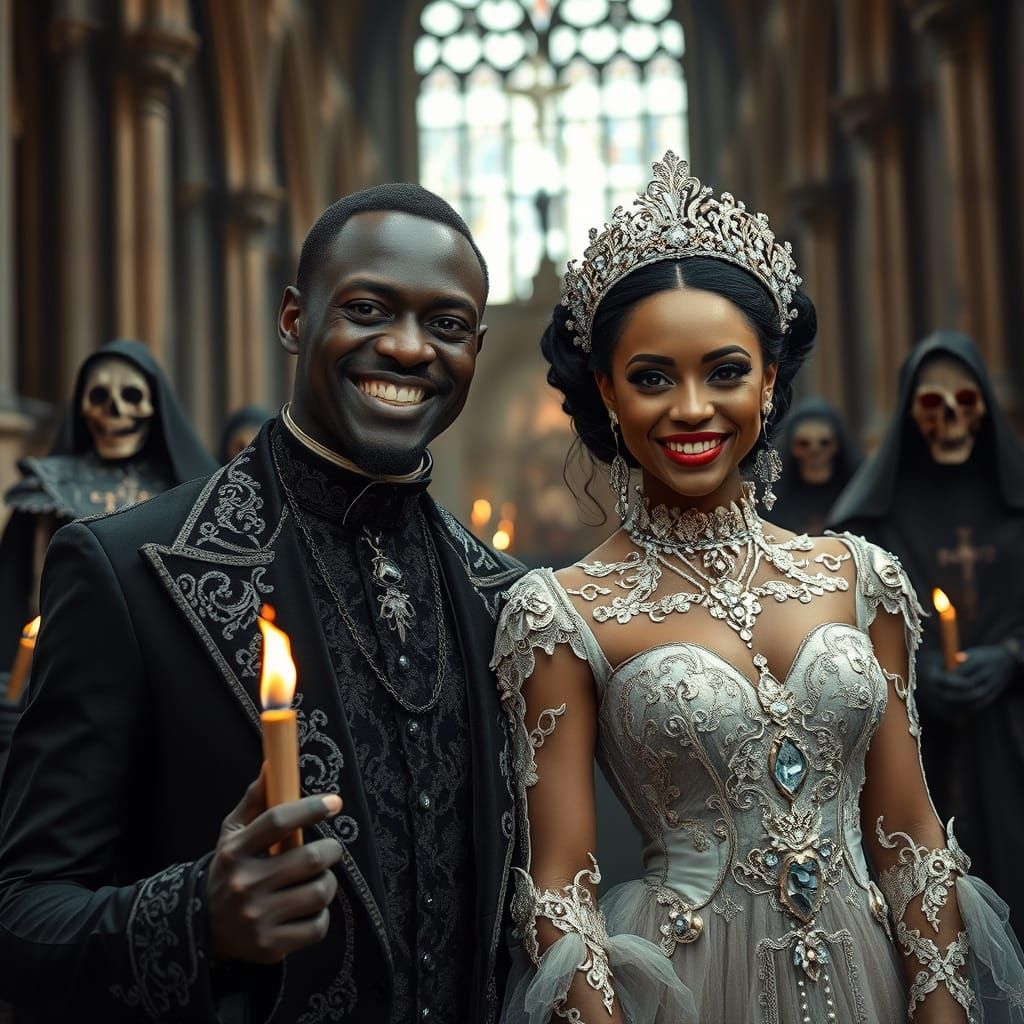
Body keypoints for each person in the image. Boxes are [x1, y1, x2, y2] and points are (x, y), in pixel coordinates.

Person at [492, 153, 1024, 1023]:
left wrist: (941, 1008)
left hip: (876, 989)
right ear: (607, 392)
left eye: (726, 371)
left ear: (770, 382)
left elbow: (914, 839)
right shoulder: (558, 615)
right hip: (688, 993)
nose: (693, 408)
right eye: (653, 377)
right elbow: (557, 887)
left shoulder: (864, 579)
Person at [0, 184, 522, 1023]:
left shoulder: (506, 600)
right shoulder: (128, 571)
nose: (408, 347)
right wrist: (196, 917)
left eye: (448, 325)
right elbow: (22, 918)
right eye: (367, 307)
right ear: (292, 319)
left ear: (476, 350)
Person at [830, 330, 1024, 937]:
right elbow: (839, 626)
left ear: (984, 407)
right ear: (911, 410)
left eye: (963, 403)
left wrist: (1014, 657)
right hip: (915, 744)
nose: (948, 421)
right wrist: (909, 674)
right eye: (930, 404)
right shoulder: (871, 521)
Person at [0, 339, 216, 670]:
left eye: (131, 396)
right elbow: (10, 591)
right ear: (81, 405)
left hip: (160, 661)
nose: (115, 410)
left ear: (153, 405)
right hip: (65, 660)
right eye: (99, 396)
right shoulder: (47, 490)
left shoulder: (184, 491)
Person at [769, 396, 860, 535]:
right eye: (803, 444)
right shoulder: (770, 500)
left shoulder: (857, 495)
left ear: (837, 446)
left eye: (824, 443)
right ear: (792, 448)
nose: (815, 453)